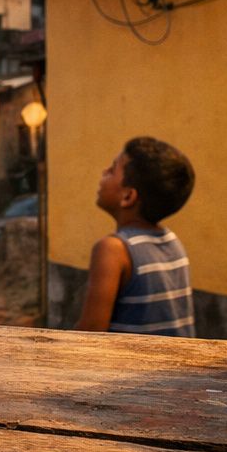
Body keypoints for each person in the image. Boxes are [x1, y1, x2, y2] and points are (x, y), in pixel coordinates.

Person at [75, 136, 195, 336]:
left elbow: (90, 332)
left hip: (131, 366)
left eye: (112, 170)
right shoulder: (173, 242)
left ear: (128, 196)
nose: (104, 172)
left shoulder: (112, 250)